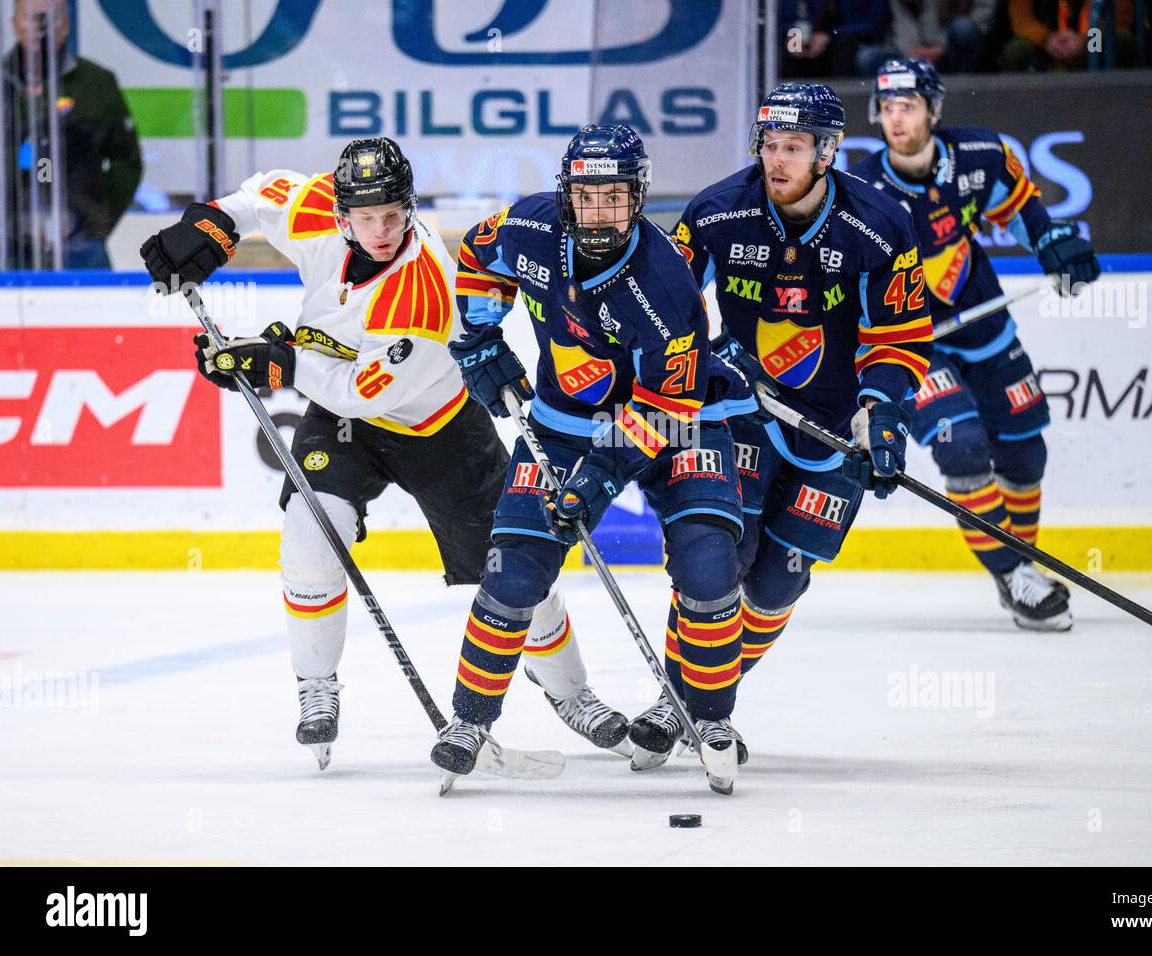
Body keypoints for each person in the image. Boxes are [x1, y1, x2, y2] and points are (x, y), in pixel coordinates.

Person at [140, 137, 622, 769]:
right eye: (365, 217)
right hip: (343, 417)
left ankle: (570, 691)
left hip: (441, 427)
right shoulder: (318, 208)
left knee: (516, 571)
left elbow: (360, 391)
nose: (380, 230)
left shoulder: (426, 288)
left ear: (410, 207)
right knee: (309, 536)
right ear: (341, 213)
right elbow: (258, 197)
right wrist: (210, 226)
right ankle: (316, 686)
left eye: (393, 215)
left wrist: (278, 362)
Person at [430, 124, 757, 794]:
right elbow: (480, 253)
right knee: (514, 571)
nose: (601, 212)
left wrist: (602, 476)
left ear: (637, 198)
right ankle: (468, 721)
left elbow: (669, 405)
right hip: (563, 425)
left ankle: (711, 716)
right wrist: (481, 338)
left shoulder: (667, 286)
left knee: (709, 563)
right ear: (566, 194)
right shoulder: (527, 227)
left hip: (682, 422)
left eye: (616, 196)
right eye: (588, 196)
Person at [671, 82, 932, 754]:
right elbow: (662, 306)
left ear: (827, 152)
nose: (776, 160)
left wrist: (881, 410)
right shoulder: (715, 212)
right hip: (742, 414)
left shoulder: (879, 223)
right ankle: (685, 703)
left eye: (793, 147)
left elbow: (899, 337)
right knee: (721, 561)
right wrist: (698, 357)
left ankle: (702, 691)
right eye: (768, 145)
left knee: (778, 581)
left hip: (833, 428)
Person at [850, 59, 1100, 629]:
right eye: (887, 107)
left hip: (982, 322)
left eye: (907, 106)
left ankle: (1026, 563)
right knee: (961, 448)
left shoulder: (980, 155)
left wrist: (1056, 245)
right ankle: (1013, 576)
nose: (896, 117)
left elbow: (1025, 212)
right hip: (913, 342)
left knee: (1024, 450)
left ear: (934, 110)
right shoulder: (861, 190)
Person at [1, 0, 141, 268]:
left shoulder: (96, 82)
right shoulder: (0, 83)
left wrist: (98, 220)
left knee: (94, 309)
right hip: (6, 243)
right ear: (14, 26)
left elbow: (127, 160)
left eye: (49, 20)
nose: (39, 29)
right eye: (31, 19)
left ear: (65, 26)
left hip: (80, 244)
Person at [1000, 0, 1136, 71]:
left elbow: (1118, 17)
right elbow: (1022, 19)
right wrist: (1046, 39)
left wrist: (1083, 41)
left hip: (1093, 42)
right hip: (1045, 45)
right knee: (1017, 50)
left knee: (1121, 41)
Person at [890, 0, 997, 74]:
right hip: (920, 50)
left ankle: (961, 93)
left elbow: (982, 26)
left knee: (964, 28)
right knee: (873, 57)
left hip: (960, 50)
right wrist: (913, 52)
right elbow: (902, 24)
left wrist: (939, 51)